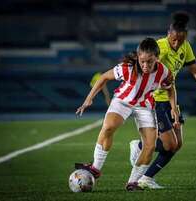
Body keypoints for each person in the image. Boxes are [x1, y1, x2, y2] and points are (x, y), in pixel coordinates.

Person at [74, 38, 180, 191]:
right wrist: (88, 99)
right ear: (138, 56)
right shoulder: (127, 68)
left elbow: (170, 88)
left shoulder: (163, 72)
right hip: (123, 101)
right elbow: (103, 77)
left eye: (150, 62)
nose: (145, 65)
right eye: (142, 61)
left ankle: (133, 182)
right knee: (109, 127)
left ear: (157, 58)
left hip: (145, 105)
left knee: (150, 146)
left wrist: (173, 108)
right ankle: (96, 168)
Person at [129, 11, 196, 189]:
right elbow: (141, 63)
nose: (176, 43)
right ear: (168, 33)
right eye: (174, 39)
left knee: (177, 145)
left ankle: (145, 172)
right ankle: (141, 154)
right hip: (155, 100)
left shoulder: (185, 46)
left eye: (180, 40)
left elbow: (194, 67)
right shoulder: (159, 47)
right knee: (170, 144)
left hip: (171, 98)